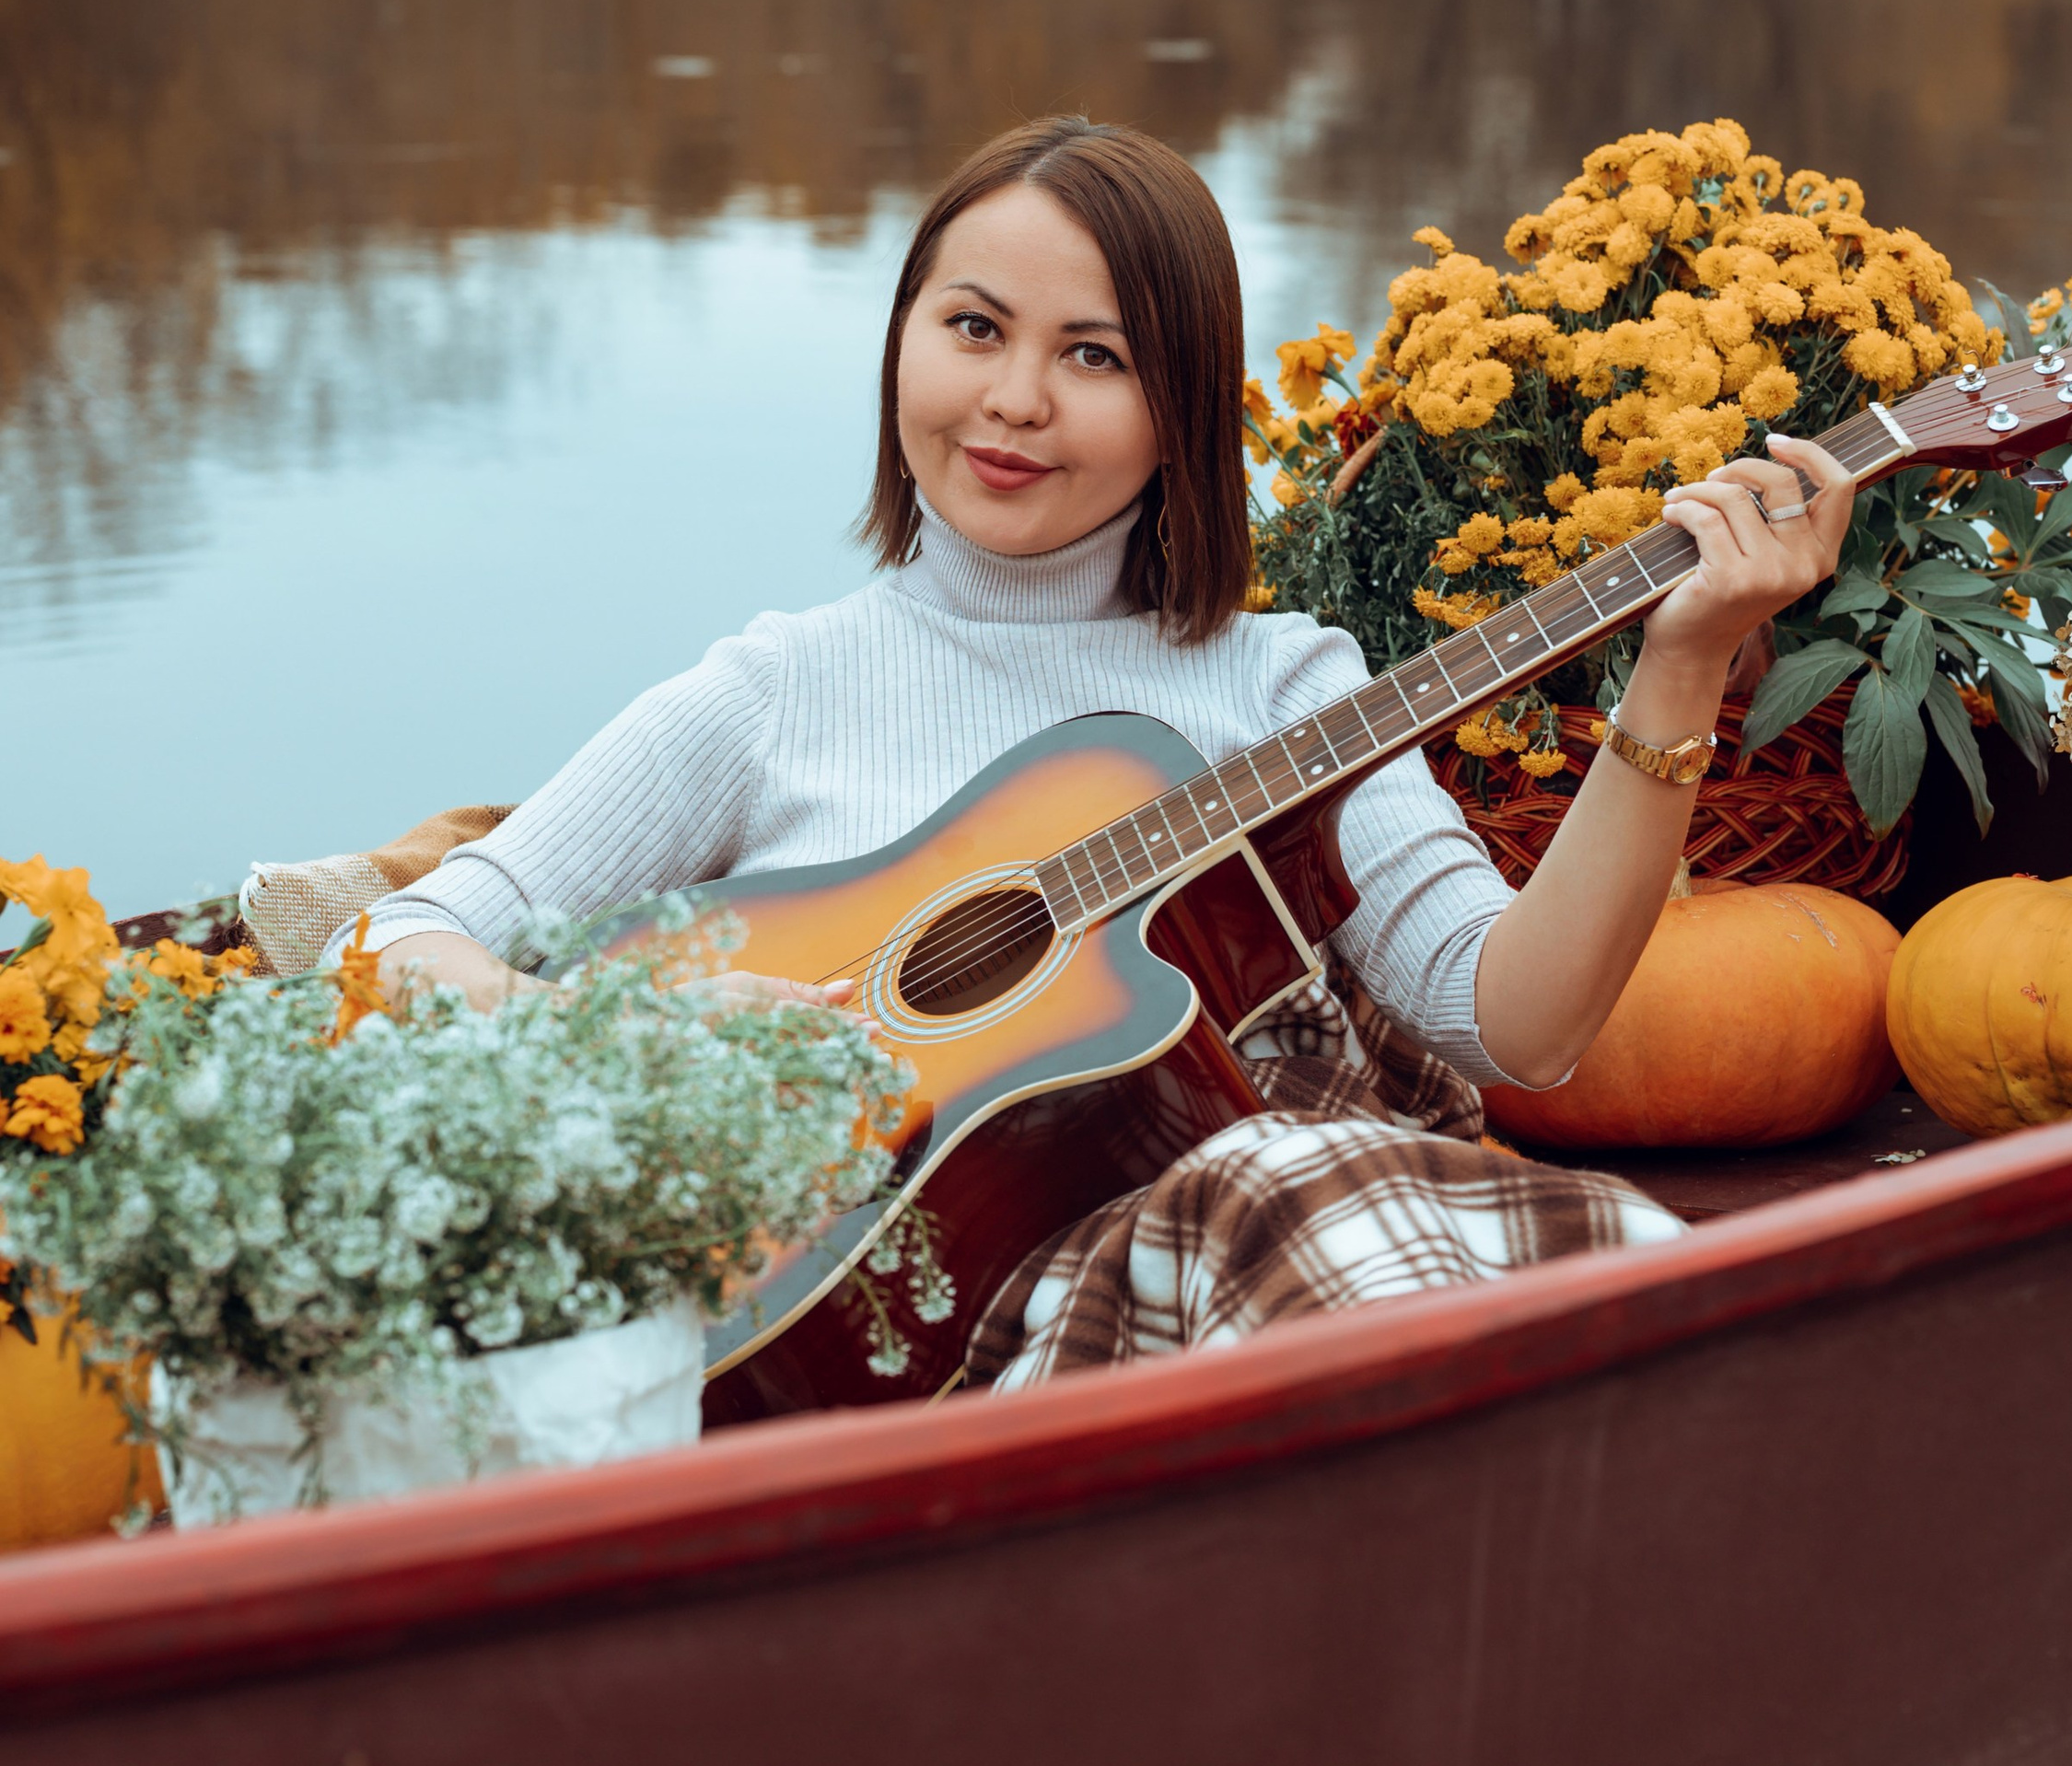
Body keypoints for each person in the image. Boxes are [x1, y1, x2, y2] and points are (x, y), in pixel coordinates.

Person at [350, 116, 1856, 1388]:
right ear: (901, 344)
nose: (1014, 400)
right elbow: (410, 936)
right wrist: (629, 1036)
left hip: (1261, 1296)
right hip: (915, 1337)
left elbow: (1515, 1029)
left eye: (1094, 355)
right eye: (974, 330)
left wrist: (1683, 667)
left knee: (1273, 1174)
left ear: (1179, 410)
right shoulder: (772, 690)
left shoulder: (1284, 688)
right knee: (1282, 1188)